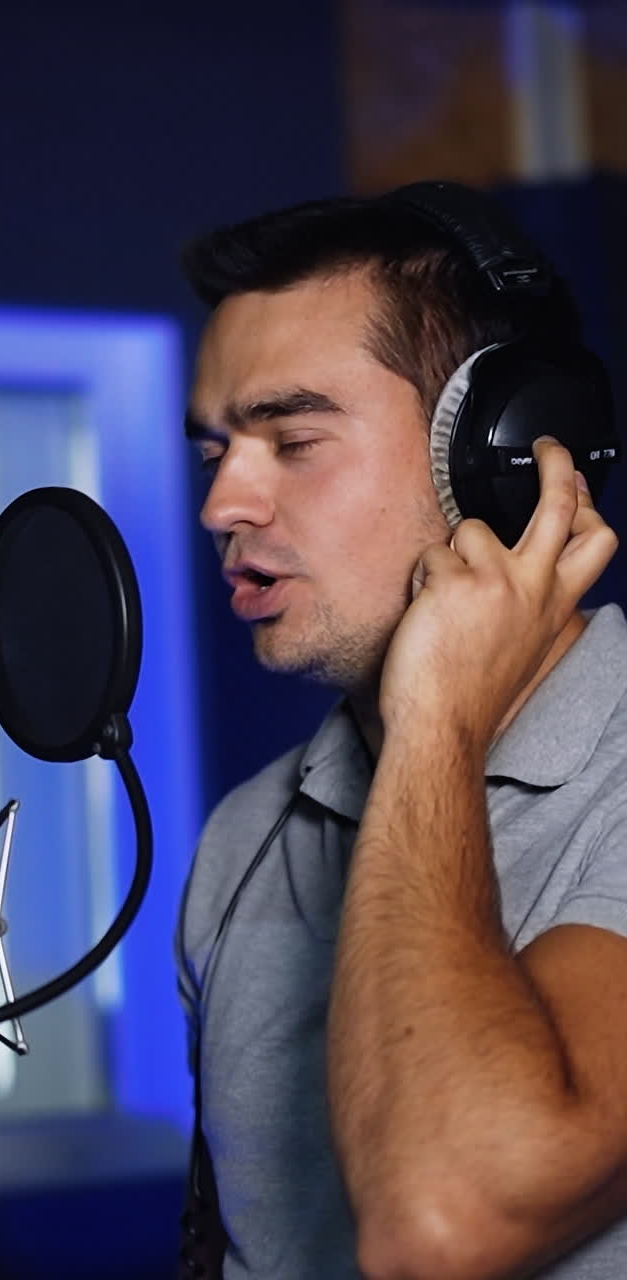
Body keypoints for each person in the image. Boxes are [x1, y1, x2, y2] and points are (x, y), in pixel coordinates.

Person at [174, 184, 627, 1280]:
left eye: (293, 439)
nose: (222, 506)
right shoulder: (244, 839)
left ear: (501, 454)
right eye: (215, 452)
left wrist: (436, 719)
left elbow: (441, 1221)